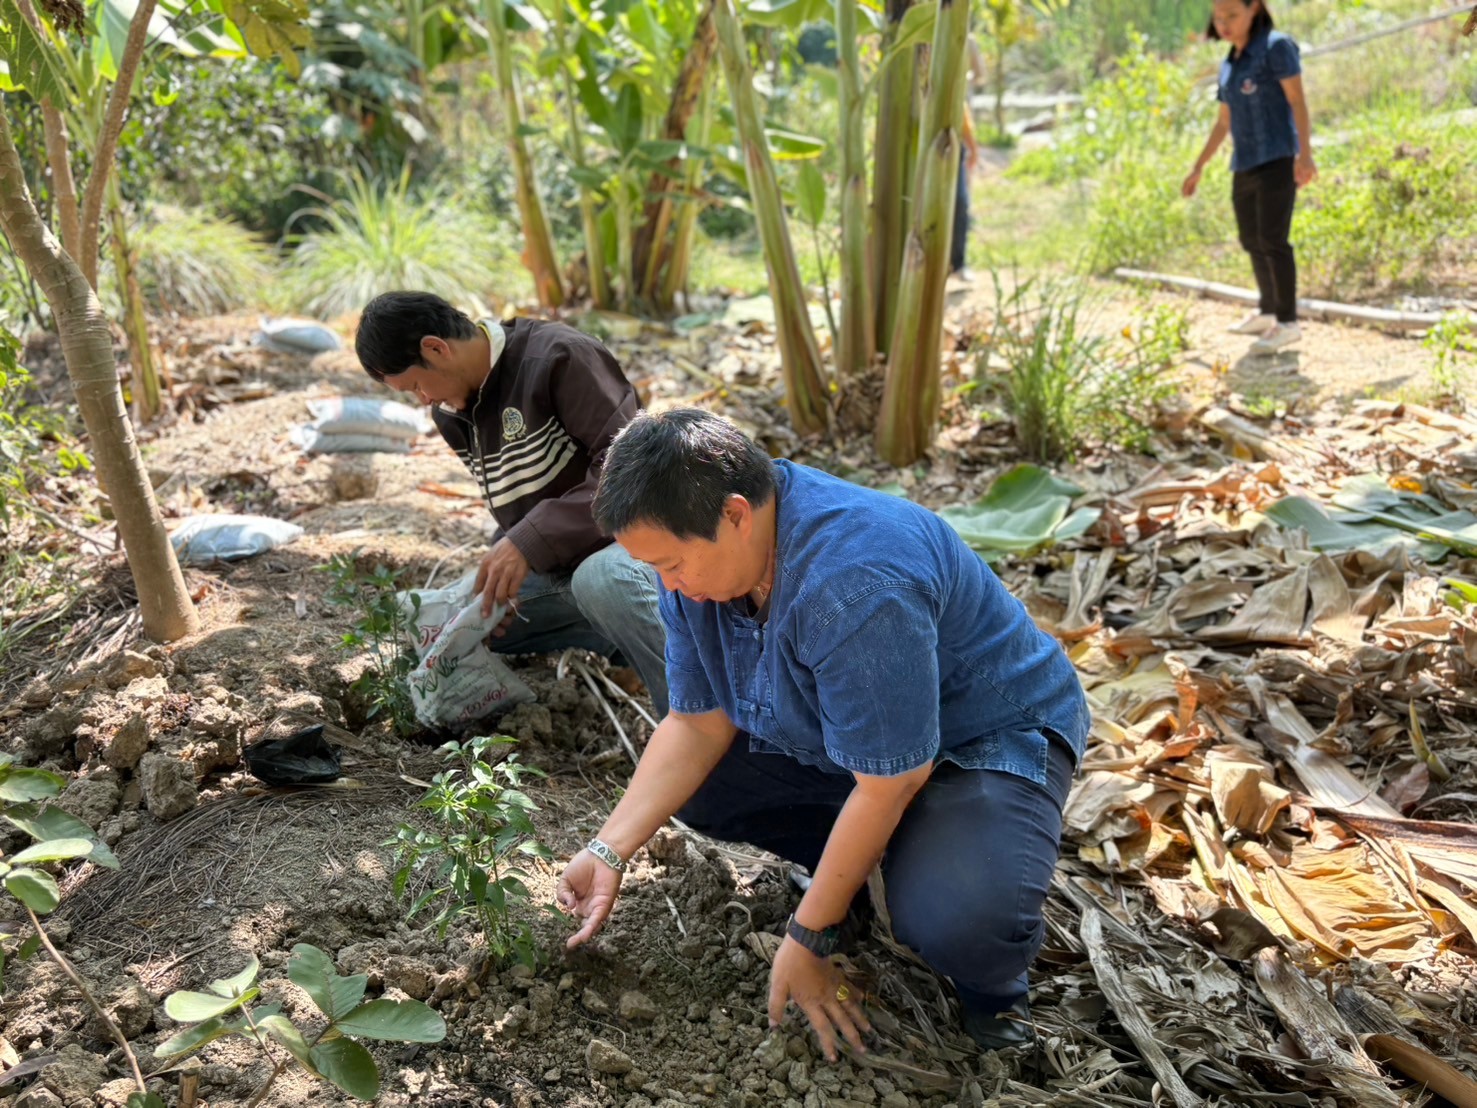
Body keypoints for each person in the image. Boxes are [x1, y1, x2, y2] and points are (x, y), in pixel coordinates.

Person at [556, 409, 1089, 1060]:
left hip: (976, 740)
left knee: (962, 921)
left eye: (670, 564)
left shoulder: (853, 579)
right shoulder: (703, 570)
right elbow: (695, 724)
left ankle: (993, 989)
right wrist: (608, 850)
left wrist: (808, 937)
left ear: (734, 515)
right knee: (702, 788)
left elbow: (893, 778)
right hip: (860, 742)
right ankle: (864, 875)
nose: (669, 587)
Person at [353, 291, 668, 719]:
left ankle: (706, 727)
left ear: (436, 348)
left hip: (642, 549)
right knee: (460, 617)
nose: (422, 400)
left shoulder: (557, 357)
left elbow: (636, 473)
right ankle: (625, 639)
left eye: (414, 386)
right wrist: (504, 569)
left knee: (605, 580)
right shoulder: (452, 413)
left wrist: (528, 543)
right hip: (564, 567)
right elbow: (519, 510)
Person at [1183, 0, 1317, 355]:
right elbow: (1223, 121)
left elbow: (1297, 102)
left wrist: (1305, 154)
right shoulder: (1230, 61)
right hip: (1244, 162)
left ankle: (1287, 323)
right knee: (1251, 238)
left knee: (1274, 239)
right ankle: (1267, 310)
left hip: (1277, 158)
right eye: (1217, 17)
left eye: (1231, 16)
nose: (1223, 24)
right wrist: (1198, 166)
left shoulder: (1277, 47)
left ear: (1254, 8)